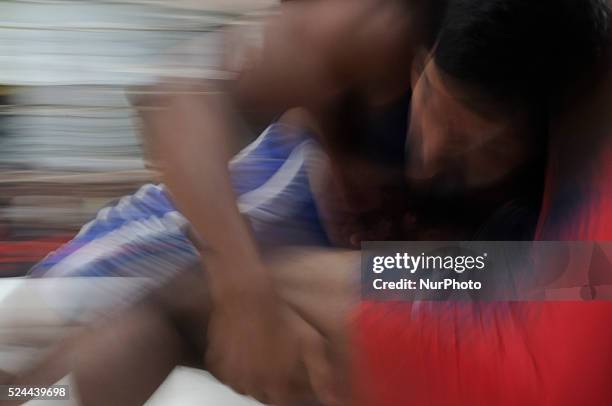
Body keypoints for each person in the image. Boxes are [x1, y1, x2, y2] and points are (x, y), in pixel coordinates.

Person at [8, 0, 610, 404]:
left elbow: (579, 277)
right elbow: (180, 99)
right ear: (420, 62)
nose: (431, 157)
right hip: (295, 202)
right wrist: (244, 287)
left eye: (483, 151)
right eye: (432, 113)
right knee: (46, 343)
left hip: (433, 270)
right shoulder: (372, 25)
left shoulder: (582, 122)